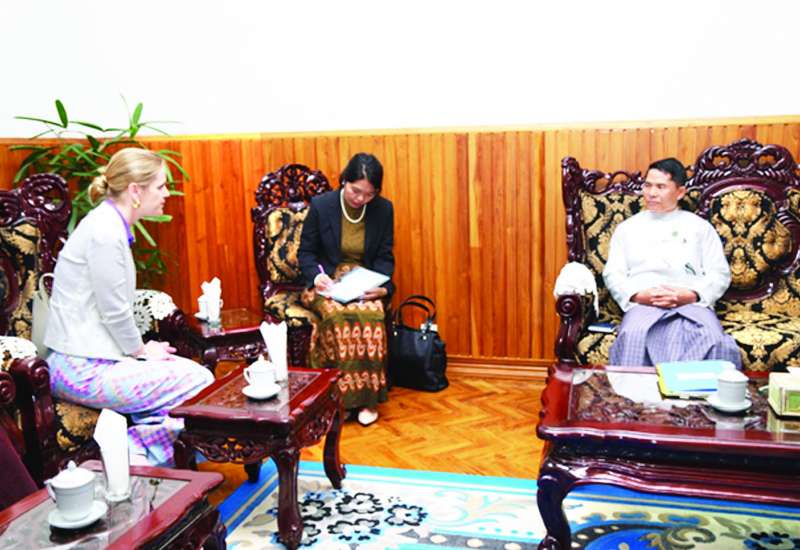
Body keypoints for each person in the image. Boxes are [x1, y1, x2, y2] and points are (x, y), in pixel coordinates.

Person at [44, 148, 214, 466]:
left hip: (93, 361)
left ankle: (143, 454)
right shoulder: (105, 233)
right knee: (199, 381)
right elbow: (114, 311)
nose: (166, 194)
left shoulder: (109, 224)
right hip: (79, 369)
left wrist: (141, 352)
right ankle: (134, 451)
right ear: (135, 190)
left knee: (192, 378)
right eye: (161, 186)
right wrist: (141, 351)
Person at [602, 157, 742, 368]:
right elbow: (613, 273)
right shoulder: (627, 228)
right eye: (647, 185)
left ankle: (697, 391)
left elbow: (719, 274)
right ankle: (639, 391)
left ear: (680, 192)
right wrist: (638, 295)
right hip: (644, 303)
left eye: (661, 187)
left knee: (713, 339)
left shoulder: (700, 228)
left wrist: (691, 294)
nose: (651, 193)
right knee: (632, 337)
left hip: (691, 303)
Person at [298, 153, 394, 426]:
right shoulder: (322, 205)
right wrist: (317, 276)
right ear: (344, 181)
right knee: (338, 317)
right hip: (327, 281)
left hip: (363, 281)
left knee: (372, 315)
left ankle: (367, 400)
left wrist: (382, 288)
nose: (361, 199)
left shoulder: (383, 209)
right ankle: (339, 400)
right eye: (356, 191)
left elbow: (385, 257)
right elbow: (306, 252)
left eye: (369, 194)